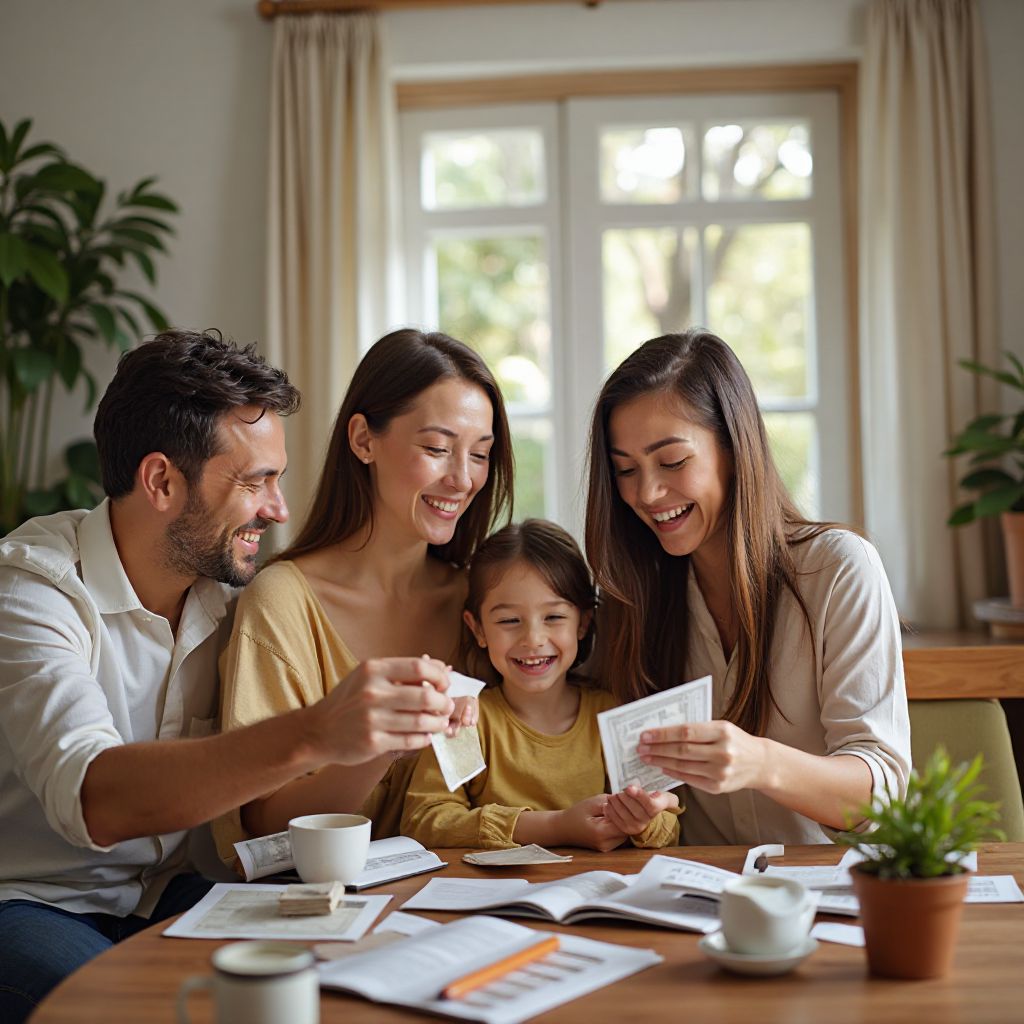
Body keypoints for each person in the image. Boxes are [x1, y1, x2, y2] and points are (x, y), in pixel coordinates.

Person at [0, 330, 457, 1023]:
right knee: (129, 1010)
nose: (277, 510)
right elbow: (96, 796)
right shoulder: (31, 590)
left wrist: (379, 737)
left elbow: (263, 829)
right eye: (255, 482)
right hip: (31, 901)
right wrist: (312, 732)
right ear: (161, 481)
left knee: (361, 979)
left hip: (176, 896)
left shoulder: (228, 599)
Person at [584, 329, 911, 846]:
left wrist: (759, 762)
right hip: (686, 895)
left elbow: (883, 797)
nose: (646, 493)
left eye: (672, 462)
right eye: (625, 470)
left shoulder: (838, 570)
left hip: (820, 895)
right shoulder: (632, 594)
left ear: (735, 449)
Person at [213, 327, 514, 865]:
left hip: (472, 902)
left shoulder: (487, 605)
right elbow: (257, 830)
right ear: (363, 439)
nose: (463, 479)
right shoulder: (284, 602)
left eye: (481, 455)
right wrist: (384, 744)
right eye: (437, 449)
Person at [401, 519, 681, 850]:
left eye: (554, 617)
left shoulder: (614, 714)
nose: (533, 639)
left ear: (583, 622)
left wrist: (641, 820)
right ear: (477, 629)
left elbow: (669, 827)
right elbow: (425, 820)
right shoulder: (465, 721)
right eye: (508, 621)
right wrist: (554, 827)